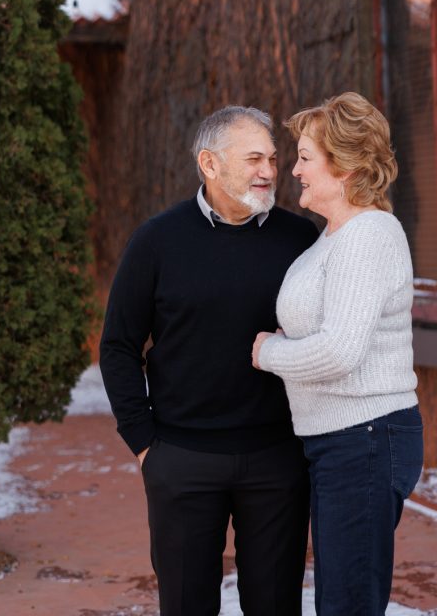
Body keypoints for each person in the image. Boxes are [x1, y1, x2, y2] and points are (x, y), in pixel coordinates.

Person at [100, 105, 318, 616]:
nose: (269, 170)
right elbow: (118, 346)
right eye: (253, 159)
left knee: (275, 604)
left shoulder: (300, 239)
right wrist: (144, 443)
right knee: (186, 605)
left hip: (277, 458)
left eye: (272, 157)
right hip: (181, 458)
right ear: (210, 164)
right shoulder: (156, 241)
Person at [252, 91, 423, 616]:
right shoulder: (333, 236)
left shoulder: (368, 235)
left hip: (365, 438)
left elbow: (338, 352)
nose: (294, 170)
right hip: (339, 442)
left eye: (305, 158)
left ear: (345, 167)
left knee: (348, 602)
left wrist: (269, 353)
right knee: (338, 596)